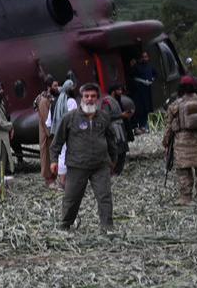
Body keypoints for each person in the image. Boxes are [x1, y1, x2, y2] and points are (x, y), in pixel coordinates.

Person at [50, 83, 118, 231]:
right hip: (77, 165)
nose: (89, 99)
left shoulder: (104, 117)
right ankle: (65, 225)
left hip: (100, 165)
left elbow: (111, 140)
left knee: (104, 197)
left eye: (93, 96)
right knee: (71, 198)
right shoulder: (70, 117)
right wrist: (54, 160)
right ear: (81, 98)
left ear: (97, 99)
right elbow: (57, 141)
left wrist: (113, 161)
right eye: (86, 96)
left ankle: (107, 227)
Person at [162, 76, 197, 205]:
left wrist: (165, 143)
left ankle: (186, 197)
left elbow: (169, 127)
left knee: (183, 171)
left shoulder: (175, 105)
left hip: (182, 143)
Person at [101, 84, 135, 175]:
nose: (121, 92)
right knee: (116, 152)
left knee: (122, 151)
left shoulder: (116, 100)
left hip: (120, 129)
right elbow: (106, 116)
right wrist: (121, 115)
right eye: (118, 90)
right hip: (113, 130)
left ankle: (117, 172)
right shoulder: (106, 102)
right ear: (113, 92)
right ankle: (113, 172)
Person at [51, 79, 78, 186]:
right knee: (69, 155)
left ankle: (62, 180)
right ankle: (68, 181)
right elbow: (74, 118)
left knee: (61, 155)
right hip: (69, 133)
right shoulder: (71, 101)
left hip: (58, 132)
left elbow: (49, 121)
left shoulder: (55, 101)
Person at [34, 77, 59, 187]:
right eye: (55, 86)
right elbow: (45, 119)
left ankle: (53, 177)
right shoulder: (44, 101)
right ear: (49, 87)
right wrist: (50, 133)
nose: (57, 88)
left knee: (52, 155)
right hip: (46, 133)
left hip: (51, 131)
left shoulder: (51, 98)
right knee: (46, 156)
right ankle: (48, 179)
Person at [129, 51, 156, 133]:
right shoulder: (137, 67)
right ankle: (140, 126)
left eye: (146, 57)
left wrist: (151, 80)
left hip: (148, 91)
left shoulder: (150, 66)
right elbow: (132, 76)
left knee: (148, 108)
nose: (145, 58)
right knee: (140, 109)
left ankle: (147, 125)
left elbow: (155, 74)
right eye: (143, 57)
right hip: (139, 91)